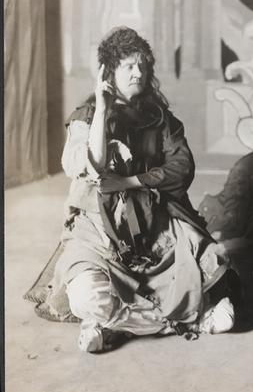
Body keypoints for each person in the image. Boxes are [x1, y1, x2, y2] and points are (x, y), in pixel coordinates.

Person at [29, 26, 241, 353]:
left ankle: (114, 329)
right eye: (129, 65)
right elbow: (84, 164)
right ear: (109, 71)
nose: (138, 72)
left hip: (155, 225)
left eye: (142, 65)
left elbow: (182, 168)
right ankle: (191, 321)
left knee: (216, 267)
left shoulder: (159, 117)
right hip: (97, 231)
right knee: (86, 298)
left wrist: (130, 182)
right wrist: (102, 110)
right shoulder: (87, 115)